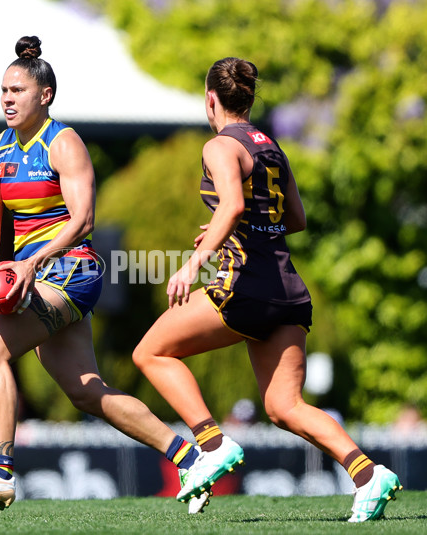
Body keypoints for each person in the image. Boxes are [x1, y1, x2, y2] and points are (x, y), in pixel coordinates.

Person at [0, 35, 208, 514]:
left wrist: (28, 264)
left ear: (44, 96)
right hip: (34, 275)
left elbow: (83, 220)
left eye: (17, 90)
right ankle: (191, 458)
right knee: (85, 390)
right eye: (3, 90)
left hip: (71, 271)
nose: (6, 98)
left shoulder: (63, 143)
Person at [132, 57, 402, 522]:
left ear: (210, 98)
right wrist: (232, 226)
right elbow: (294, 219)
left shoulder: (220, 146)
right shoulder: (271, 147)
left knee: (151, 353)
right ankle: (367, 474)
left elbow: (233, 204)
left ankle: (211, 445)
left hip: (247, 283)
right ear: (249, 98)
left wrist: (194, 262)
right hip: (286, 288)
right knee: (284, 406)